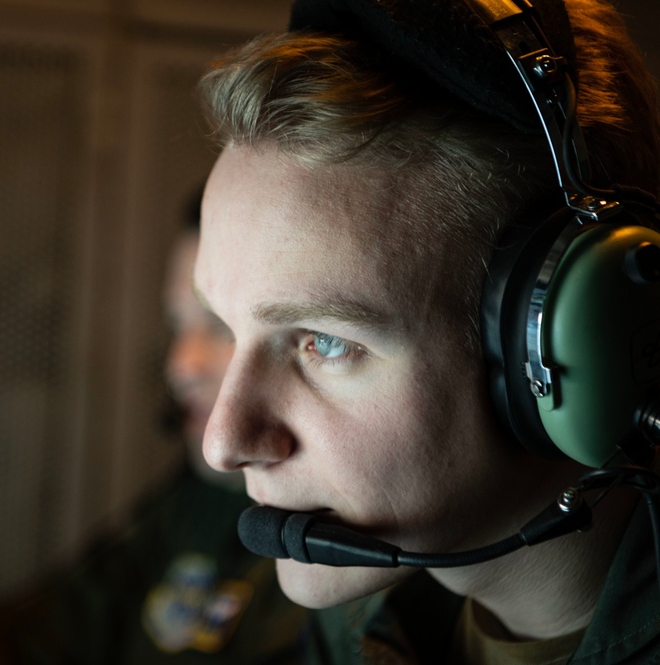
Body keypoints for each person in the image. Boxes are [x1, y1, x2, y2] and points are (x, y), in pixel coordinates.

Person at [191, 0, 660, 662]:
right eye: (225, 326)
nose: (224, 441)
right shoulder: (362, 630)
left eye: (323, 342)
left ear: (572, 335)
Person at [0, 191, 307, 664]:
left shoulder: (334, 559)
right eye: (177, 325)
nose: (181, 365)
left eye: (219, 327)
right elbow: (57, 623)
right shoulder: (199, 496)